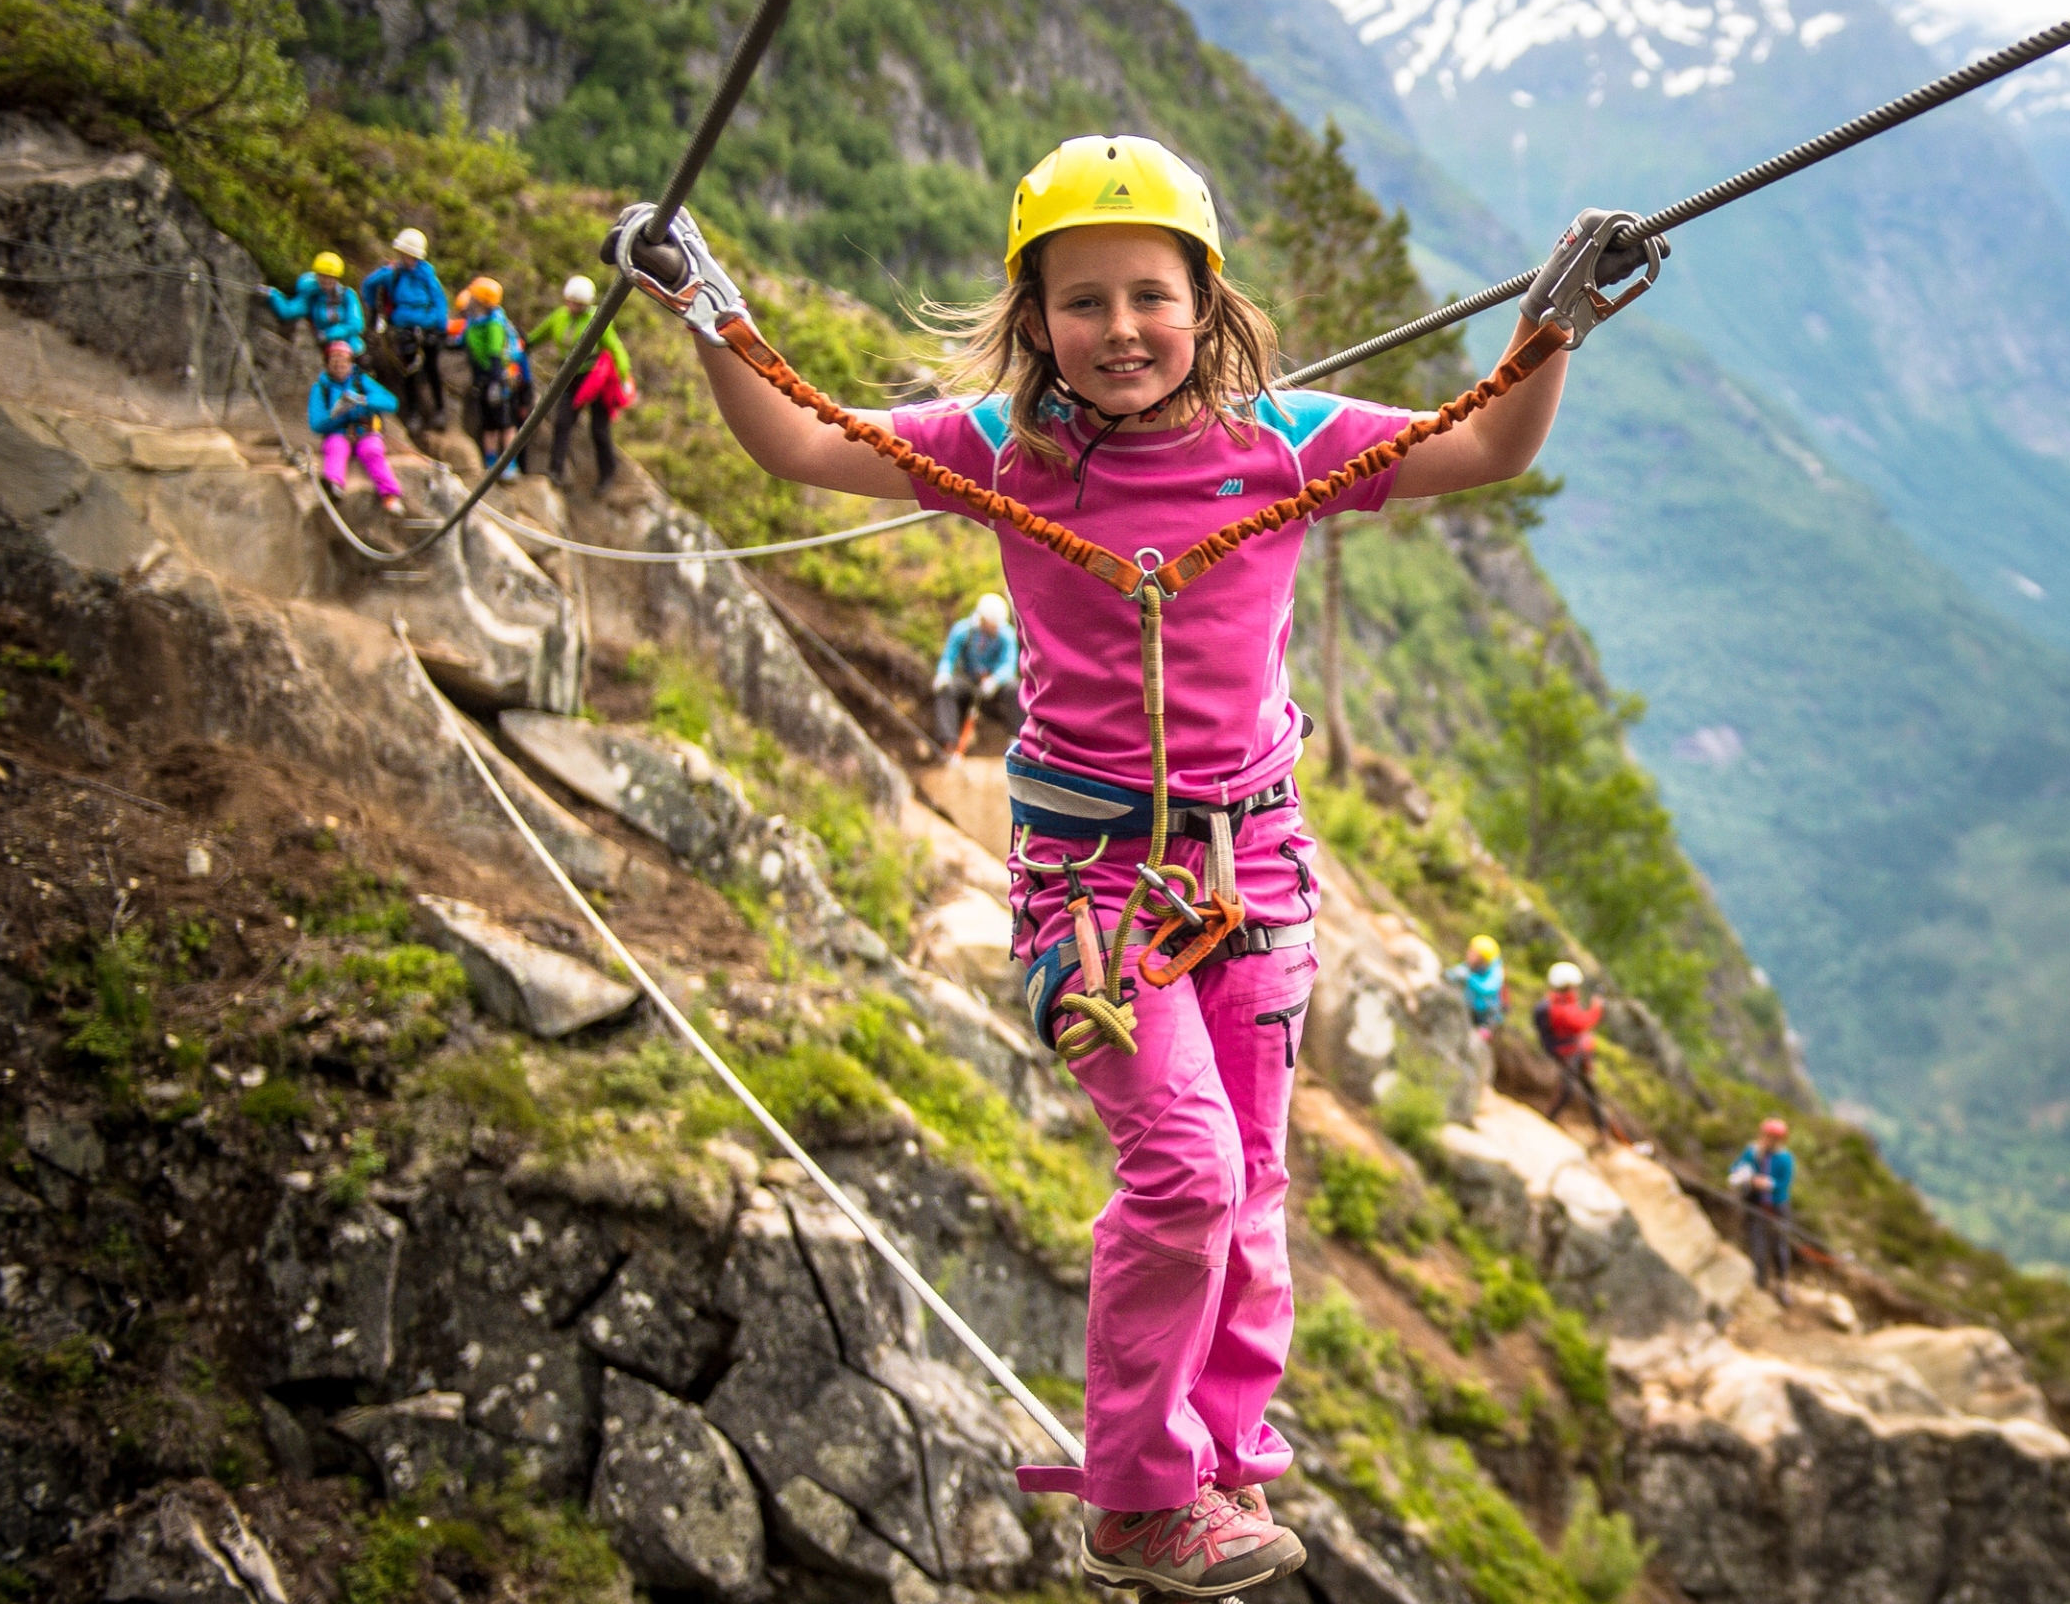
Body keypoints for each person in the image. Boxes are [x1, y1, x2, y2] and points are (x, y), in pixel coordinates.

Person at [635, 133, 1591, 1597]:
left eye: (1151, 294)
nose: (1123, 329)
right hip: (1090, 889)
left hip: (1253, 871)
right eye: (1083, 302)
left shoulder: (1286, 442)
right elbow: (807, 441)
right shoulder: (1007, 456)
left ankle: (1215, 1464)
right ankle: (1139, 1497)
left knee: (1253, 1182)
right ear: (1035, 322)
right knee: (1189, 1171)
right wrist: (712, 315)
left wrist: (1554, 330)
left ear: (1203, 302)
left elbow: (1485, 446)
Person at [362, 226, 454, 435]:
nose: (407, 259)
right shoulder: (392, 273)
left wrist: (440, 328)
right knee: (409, 371)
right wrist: (375, 309)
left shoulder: (427, 275)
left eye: (411, 255)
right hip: (403, 328)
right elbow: (368, 285)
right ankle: (413, 413)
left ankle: (440, 410)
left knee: (431, 368)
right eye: (405, 254)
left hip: (427, 327)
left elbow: (440, 301)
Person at [548, 275, 636, 492]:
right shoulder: (560, 316)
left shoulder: (597, 320)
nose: (574, 307)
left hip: (594, 380)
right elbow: (541, 334)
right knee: (562, 422)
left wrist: (624, 377)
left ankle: (607, 474)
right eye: (572, 301)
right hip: (569, 377)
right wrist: (526, 344)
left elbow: (616, 349)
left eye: (579, 303)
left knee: (599, 429)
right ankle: (555, 470)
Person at [305, 339, 407, 516]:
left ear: (350, 363)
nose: (339, 366)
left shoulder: (361, 381)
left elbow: (391, 402)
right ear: (327, 364)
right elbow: (316, 423)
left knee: (372, 450)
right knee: (336, 448)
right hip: (338, 433)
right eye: (334, 362)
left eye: (343, 362)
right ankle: (334, 484)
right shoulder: (321, 388)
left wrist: (363, 401)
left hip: (365, 432)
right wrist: (336, 414)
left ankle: (390, 494)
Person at [453, 277, 533, 478]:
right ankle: (491, 461)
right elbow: (464, 339)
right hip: (483, 377)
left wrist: (496, 384)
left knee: (504, 423)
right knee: (488, 423)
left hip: (499, 377)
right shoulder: (475, 319)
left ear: (480, 300)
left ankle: (509, 464)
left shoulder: (495, 323)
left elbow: (495, 354)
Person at [1531, 962, 1614, 1143]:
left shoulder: (1557, 1002)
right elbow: (1581, 1022)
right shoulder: (1560, 1008)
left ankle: (1602, 1129)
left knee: (1586, 1090)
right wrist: (1596, 1007)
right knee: (1571, 1090)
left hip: (1573, 1053)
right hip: (1568, 1054)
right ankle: (1550, 1120)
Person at [934, 592, 1023, 759]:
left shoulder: (1006, 635)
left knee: (1015, 688)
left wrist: (995, 680)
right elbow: (949, 656)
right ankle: (948, 743)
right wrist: (943, 674)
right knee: (947, 689)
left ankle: (1017, 739)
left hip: (995, 684)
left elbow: (1008, 664)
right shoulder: (963, 631)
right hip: (969, 680)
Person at [1725, 1117, 1797, 1298]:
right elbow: (1735, 1168)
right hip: (1755, 1204)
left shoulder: (1785, 1159)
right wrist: (1746, 1177)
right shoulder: (1753, 1152)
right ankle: (1759, 1283)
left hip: (1777, 1205)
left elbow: (1783, 1184)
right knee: (1757, 1243)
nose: (1768, 1140)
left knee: (1779, 1244)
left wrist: (1768, 1184)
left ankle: (1782, 1284)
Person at [263, 251, 366, 356]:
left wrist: (328, 335)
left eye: (330, 277)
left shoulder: (347, 295)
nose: (326, 280)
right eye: (322, 276)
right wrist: (273, 295)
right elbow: (288, 311)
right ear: (316, 276)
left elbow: (355, 325)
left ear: (337, 278)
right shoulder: (312, 296)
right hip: (320, 346)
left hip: (348, 347)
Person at [1444, 934, 1504, 1039]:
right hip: (1470, 1012)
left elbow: (1488, 989)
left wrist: (1469, 978)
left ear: (1482, 957)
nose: (1468, 954)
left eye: (1473, 952)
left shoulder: (1495, 972)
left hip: (1487, 1018)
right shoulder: (1470, 966)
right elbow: (1452, 974)